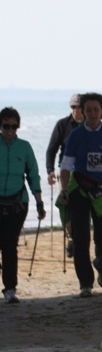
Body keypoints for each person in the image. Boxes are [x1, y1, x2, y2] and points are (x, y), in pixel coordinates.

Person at [58, 93, 102, 298]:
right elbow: (66, 166)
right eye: (88, 109)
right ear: (82, 112)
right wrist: (64, 189)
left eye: (96, 109)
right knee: (80, 238)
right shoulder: (76, 135)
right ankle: (85, 284)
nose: (92, 113)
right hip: (80, 191)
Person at [1, 107, 46, 304]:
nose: (10, 130)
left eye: (14, 126)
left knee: (9, 245)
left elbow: (33, 175)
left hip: (18, 203)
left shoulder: (25, 147)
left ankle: (10, 289)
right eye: (6, 126)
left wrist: (39, 202)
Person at [44, 93, 83, 257]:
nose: (77, 110)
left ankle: (80, 239)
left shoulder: (90, 125)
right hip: (65, 171)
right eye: (74, 107)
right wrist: (50, 170)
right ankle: (71, 238)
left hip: (84, 172)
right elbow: (51, 149)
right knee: (65, 205)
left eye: (80, 107)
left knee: (83, 207)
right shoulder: (62, 125)